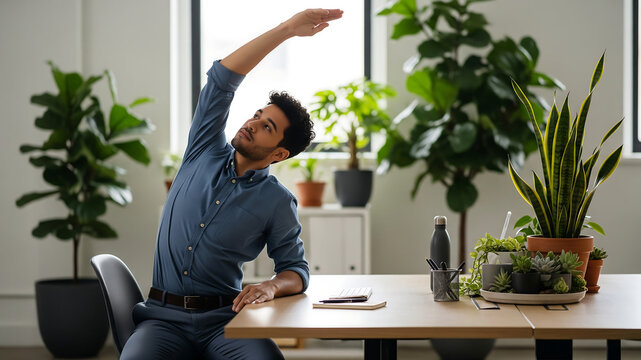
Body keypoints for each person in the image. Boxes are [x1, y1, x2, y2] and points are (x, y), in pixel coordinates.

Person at [120, 8, 343, 360]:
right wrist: (286, 30)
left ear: (279, 153)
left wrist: (271, 286)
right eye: (257, 114)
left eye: (267, 126)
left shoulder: (277, 201)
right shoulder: (203, 148)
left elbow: (296, 270)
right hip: (162, 320)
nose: (252, 123)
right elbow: (223, 78)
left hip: (227, 322)